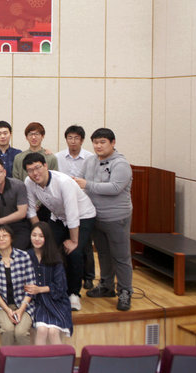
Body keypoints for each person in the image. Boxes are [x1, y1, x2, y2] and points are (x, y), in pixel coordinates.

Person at [24, 152, 96, 311]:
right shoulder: (29, 182)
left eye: (38, 168)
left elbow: (72, 213)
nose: (35, 173)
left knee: (74, 252)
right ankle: (45, 287)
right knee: (43, 247)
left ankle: (74, 294)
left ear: (45, 166)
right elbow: (31, 210)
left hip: (83, 216)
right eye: (30, 170)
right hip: (58, 217)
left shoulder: (63, 182)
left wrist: (74, 241)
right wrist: (39, 232)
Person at [75, 128, 134, 311]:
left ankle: (125, 291)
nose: (98, 146)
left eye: (102, 142)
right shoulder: (90, 161)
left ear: (112, 143)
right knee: (103, 253)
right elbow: (80, 181)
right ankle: (106, 286)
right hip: (95, 216)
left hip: (117, 217)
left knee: (121, 257)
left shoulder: (121, 164)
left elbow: (115, 188)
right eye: (95, 142)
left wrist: (88, 185)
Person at [55, 125, 95, 290]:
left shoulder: (90, 158)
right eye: (70, 138)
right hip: (64, 205)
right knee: (68, 243)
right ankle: (67, 276)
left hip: (84, 204)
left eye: (76, 138)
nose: (73, 141)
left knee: (85, 244)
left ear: (82, 140)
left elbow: (91, 182)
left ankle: (89, 277)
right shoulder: (57, 157)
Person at [0, 224, 35, 346]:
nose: (1, 239)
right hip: (2, 306)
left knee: (21, 333)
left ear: (11, 238)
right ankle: (8, 358)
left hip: (24, 305)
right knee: (7, 330)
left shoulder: (23, 256)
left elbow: (30, 287)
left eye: (5, 235)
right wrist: (8, 310)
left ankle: (27, 359)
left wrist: (21, 310)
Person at [26, 222, 72, 344]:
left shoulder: (55, 257)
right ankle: (40, 357)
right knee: (41, 330)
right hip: (36, 301)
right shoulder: (26, 256)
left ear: (47, 238)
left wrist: (39, 289)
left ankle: (63, 357)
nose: (37, 239)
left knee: (53, 331)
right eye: (34, 235)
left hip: (56, 300)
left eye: (41, 236)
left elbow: (61, 287)